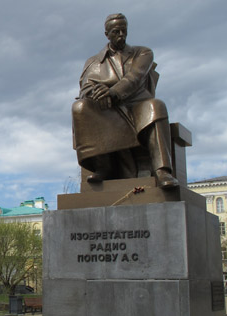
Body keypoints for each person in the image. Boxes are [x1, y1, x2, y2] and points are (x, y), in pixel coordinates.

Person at [72, 13, 178, 189]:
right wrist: (97, 94)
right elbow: (84, 88)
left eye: (124, 31)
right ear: (107, 34)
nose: (121, 35)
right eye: (116, 32)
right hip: (108, 111)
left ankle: (162, 171)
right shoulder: (94, 62)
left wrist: (113, 92)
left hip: (137, 105)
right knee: (80, 107)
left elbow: (135, 78)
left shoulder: (142, 53)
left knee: (156, 106)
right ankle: (102, 165)